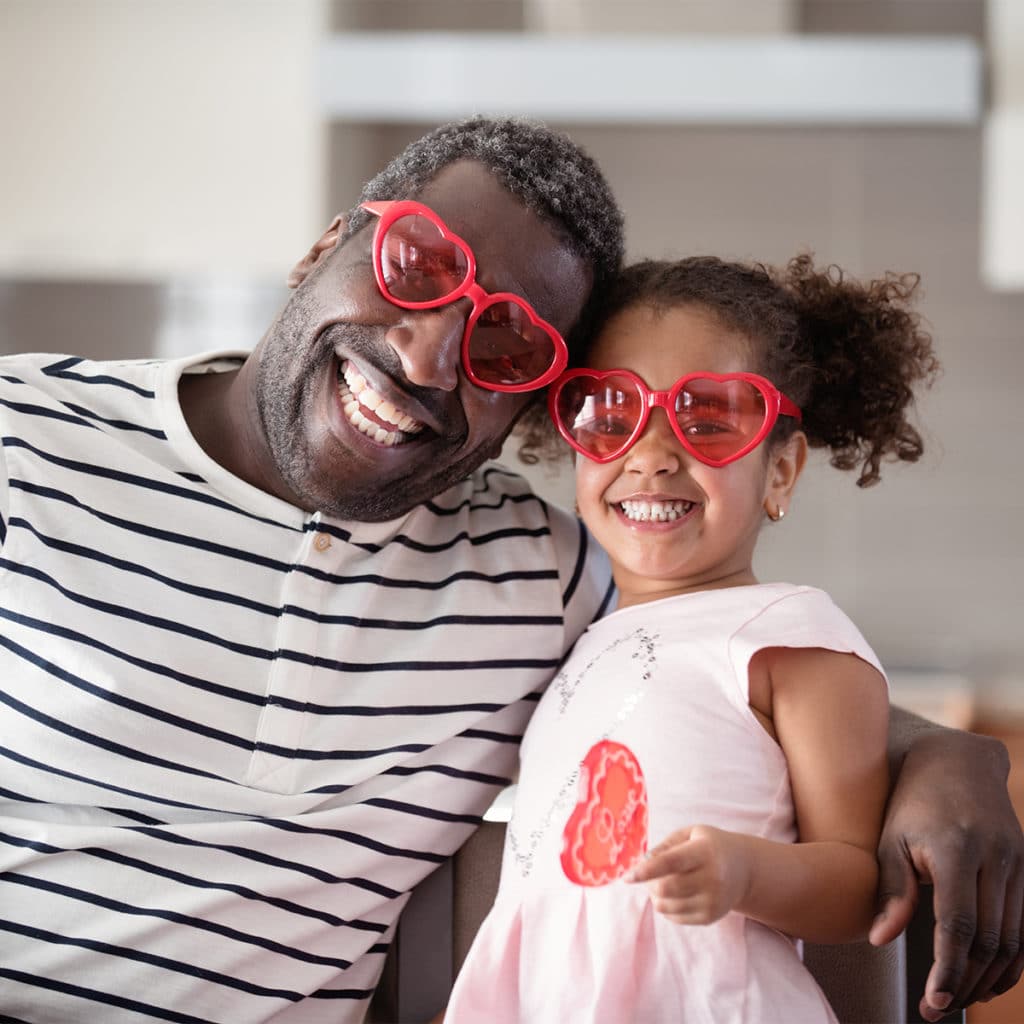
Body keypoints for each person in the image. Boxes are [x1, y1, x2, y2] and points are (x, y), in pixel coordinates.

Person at [0, 118, 1017, 1023]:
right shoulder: (22, 435)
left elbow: (727, 664)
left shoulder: (540, 570)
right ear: (326, 245)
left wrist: (947, 756)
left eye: (508, 343)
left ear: (528, 409)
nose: (433, 359)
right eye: (419, 265)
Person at [441, 254, 1015, 1024]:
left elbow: (855, 885)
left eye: (709, 419)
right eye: (610, 415)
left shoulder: (790, 640)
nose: (649, 453)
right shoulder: (580, 636)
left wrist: (744, 873)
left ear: (781, 472)